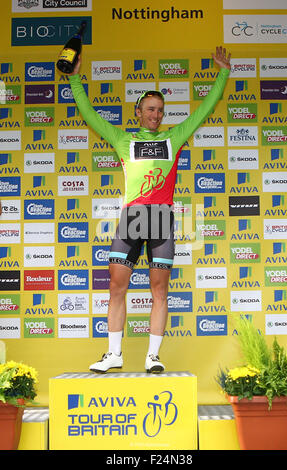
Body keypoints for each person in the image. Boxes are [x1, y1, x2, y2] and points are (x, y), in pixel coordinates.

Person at [68, 46, 231, 373]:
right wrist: (74, 80)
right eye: (150, 109)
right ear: (138, 112)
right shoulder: (121, 139)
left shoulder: (175, 136)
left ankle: (153, 357)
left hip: (160, 218)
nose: (156, 115)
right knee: (117, 286)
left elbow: (204, 111)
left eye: (160, 110)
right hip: (131, 218)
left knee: (160, 289)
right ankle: (113, 354)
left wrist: (223, 73)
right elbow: (89, 115)